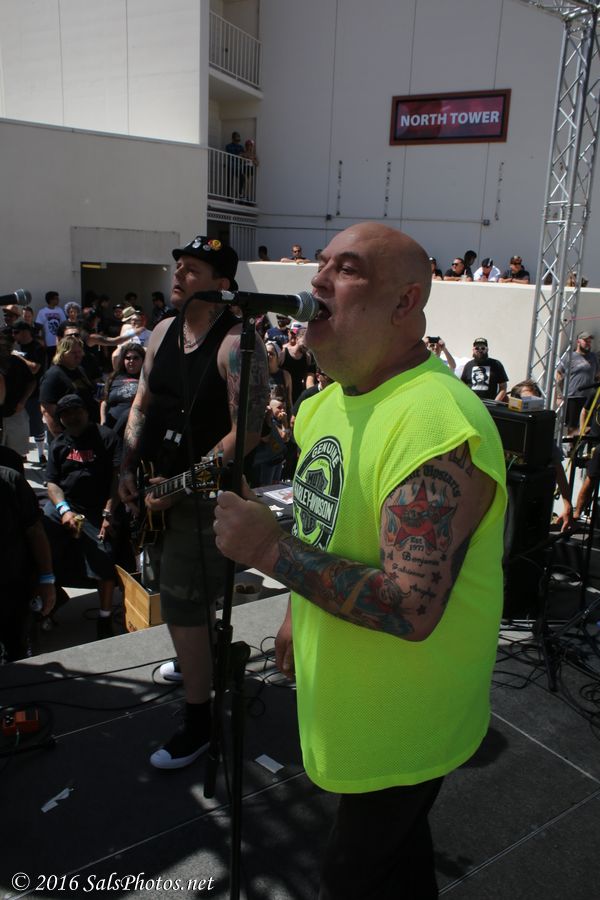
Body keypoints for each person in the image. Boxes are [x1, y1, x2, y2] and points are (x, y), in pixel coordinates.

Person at [213, 222, 507, 900]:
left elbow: (409, 606)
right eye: (320, 263)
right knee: (400, 865)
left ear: (405, 302)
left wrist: (266, 549)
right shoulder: (322, 407)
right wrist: (295, 611)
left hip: (406, 720)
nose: (317, 279)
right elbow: (327, 527)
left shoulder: (434, 424)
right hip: (349, 706)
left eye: (346, 269)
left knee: (350, 879)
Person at [118, 234, 269, 769]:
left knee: (184, 602)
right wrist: (127, 466)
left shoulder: (238, 343)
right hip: (156, 485)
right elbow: (142, 402)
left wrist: (177, 487)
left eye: (192, 269)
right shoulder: (163, 331)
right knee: (177, 592)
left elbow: (247, 432)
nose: (179, 275)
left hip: (202, 498)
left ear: (222, 284)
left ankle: (200, 722)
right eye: (178, 266)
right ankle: (197, 660)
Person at [43, 394, 120, 639]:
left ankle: (105, 617)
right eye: (66, 414)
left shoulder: (106, 437)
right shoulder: (59, 443)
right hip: (67, 505)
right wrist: (64, 510)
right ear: (60, 419)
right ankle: (49, 600)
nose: (73, 417)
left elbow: (118, 478)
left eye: (77, 411)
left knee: (104, 554)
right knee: (39, 543)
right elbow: (52, 483)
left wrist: (109, 512)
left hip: (98, 509)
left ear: (86, 412)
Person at [0, 464, 56, 661]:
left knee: (16, 653)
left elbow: (35, 531)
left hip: (13, 589)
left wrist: (47, 579)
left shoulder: (11, 480)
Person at [508, 380, 573, 532]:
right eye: (527, 400)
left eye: (535, 400)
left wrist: (567, 504)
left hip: (533, 499)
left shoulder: (543, 433)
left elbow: (557, 468)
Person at [39, 336, 100, 440]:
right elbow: (47, 410)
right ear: (62, 354)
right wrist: (61, 438)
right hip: (68, 436)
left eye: (79, 352)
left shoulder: (79, 369)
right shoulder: (53, 375)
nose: (78, 355)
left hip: (86, 430)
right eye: (73, 353)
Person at [12, 318, 47, 465]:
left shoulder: (37, 348)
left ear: (25, 332)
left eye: (16, 332)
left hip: (34, 394)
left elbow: (35, 368)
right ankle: (21, 454)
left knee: (37, 425)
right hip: (17, 394)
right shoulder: (15, 346)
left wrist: (19, 357)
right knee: (19, 427)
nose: (13, 335)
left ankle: (41, 455)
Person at [0, 331, 36, 458]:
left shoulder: (17, 362)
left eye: (7, 345)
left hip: (15, 414)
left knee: (16, 456)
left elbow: (32, 382)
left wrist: (23, 401)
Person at [556, 331, 598, 437]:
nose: (588, 343)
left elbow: (597, 375)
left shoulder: (593, 357)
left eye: (589, 341)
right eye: (585, 341)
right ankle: (572, 446)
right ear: (578, 341)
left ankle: (582, 445)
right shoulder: (570, 356)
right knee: (572, 427)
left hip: (589, 398)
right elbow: (559, 375)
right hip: (573, 397)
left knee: (588, 426)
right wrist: (559, 395)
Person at [100, 342, 145, 436]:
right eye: (128, 358)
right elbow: (104, 402)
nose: (131, 361)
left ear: (143, 360)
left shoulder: (146, 380)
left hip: (132, 430)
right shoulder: (114, 378)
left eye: (136, 358)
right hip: (110, 426)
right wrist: (103, 422)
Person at [36, 291, 66, 366]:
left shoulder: (60, 310)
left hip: (59, 342)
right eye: (56, 298)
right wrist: (43, 341)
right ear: (50, 300)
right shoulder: (42, 312)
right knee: (50, 362)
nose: (58, 300)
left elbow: (64, 325)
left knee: (59, 362)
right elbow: (39, 328)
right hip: (48, 343)